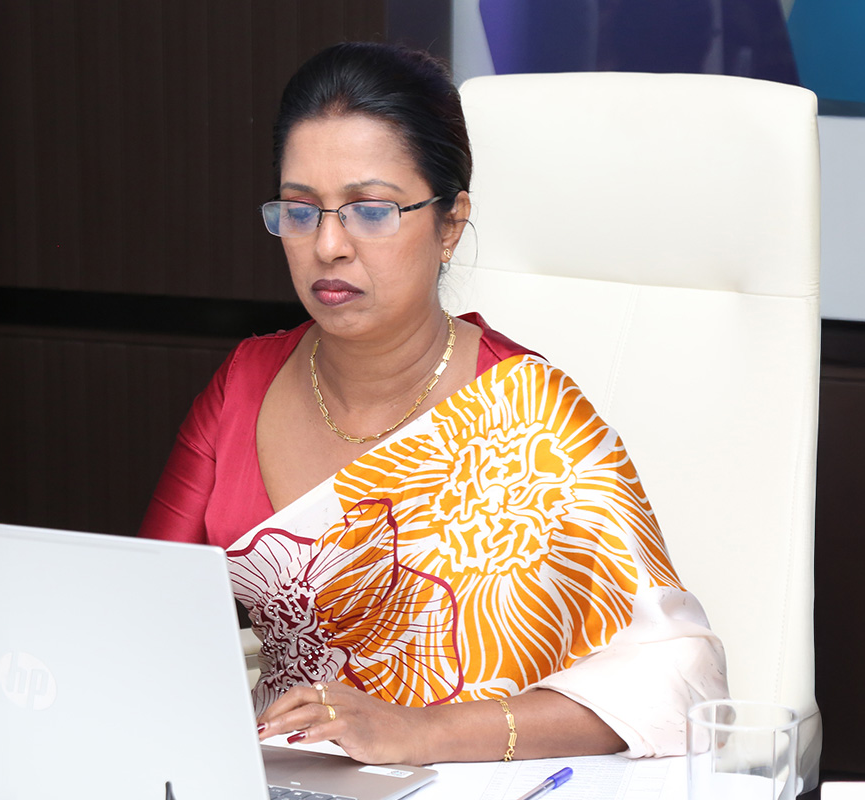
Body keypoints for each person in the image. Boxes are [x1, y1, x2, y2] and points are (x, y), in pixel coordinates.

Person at [140, 41, 727, 767]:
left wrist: (418, 733)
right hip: (289, 777)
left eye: (371, 210)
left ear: (450, 223)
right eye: (300, 210)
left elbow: (681, 679)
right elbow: (143, 621)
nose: (328, 244)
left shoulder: (531, 414)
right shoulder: (243, 384)